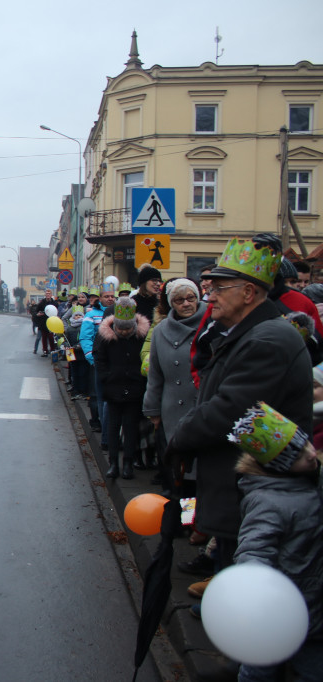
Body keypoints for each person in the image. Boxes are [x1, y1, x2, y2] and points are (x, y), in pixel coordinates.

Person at [170, 234, 312, 571]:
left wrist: (180, 440)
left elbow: (230, 410)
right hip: (239, 489)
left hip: (254, 494)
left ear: (248, 293)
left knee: (245, 584)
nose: (209, 296)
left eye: (219, 288)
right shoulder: (249, 333)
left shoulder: (268, 340)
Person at [227, 403, 322, 681]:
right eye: (301, 454)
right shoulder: (269, 503)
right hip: (279, 611)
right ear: (281, 466)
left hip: (314, 603)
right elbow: (253, 550)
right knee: (259, 668)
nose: (312, 453)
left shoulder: (310, 482)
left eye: (307, 444)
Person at [142, 278, 206, 494]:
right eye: (179, 300)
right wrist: (153, 411)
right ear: (171, 303)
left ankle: (194, 522)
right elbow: (155, 375)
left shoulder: (212, 325)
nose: (186, 304)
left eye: (191, 298)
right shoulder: (161, 331)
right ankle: (181, 518)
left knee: (200, 472)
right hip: (172, 411)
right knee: (178, 473)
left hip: (203, 409)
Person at [93, 297, 150, 479]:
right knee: (113, 425)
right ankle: (113, 463)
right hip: (113, 386)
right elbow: (99, 357)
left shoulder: (141, 337)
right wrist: (106, 377)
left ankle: (128, 463)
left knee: (131, 427)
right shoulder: (106, 337)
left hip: (135, 386)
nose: (124, 332)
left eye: (127, 329)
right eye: (120, 328)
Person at [81, 282, 116, 440]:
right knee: (98, 396)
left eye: (112, 296)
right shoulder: (91, 315)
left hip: (114, 361)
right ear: (100, 298)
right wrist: (91, 357)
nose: (110, 299)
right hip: (98, 360)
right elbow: (86, 337)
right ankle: (101, 427)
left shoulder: (116, 312)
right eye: (106, 296)